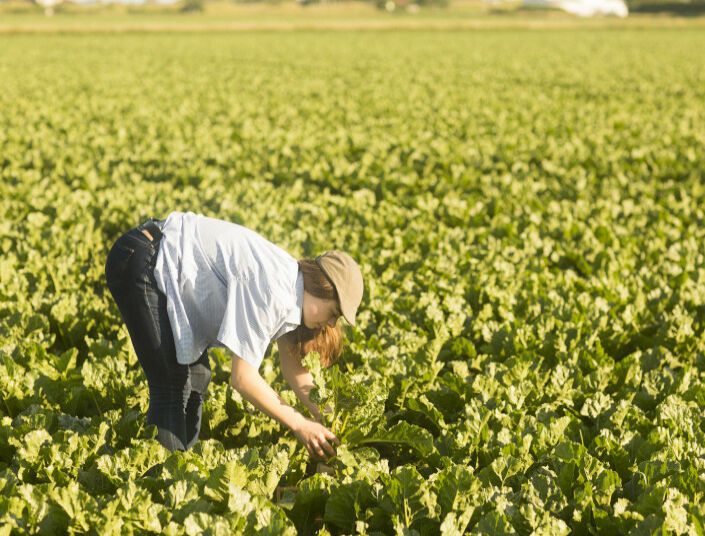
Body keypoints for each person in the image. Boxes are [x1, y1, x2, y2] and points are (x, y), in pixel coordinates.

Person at [104, 211, 364, 459]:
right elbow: (243, 379)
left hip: (157, 261)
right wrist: (300, 424)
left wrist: (328, 417)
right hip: (141, 259)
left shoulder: (293, 292)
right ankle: (165, 485)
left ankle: (179, 470)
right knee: (172, 382)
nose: (331, 323)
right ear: (321, 288)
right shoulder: (273, 290)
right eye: (334, 312)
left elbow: (292, 368)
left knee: (197, 377)